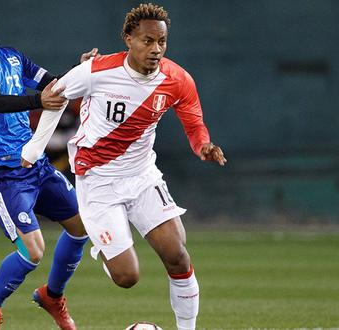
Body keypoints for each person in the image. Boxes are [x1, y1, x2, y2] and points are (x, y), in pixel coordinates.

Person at [21, 4, 227, 330]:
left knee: (177, 254)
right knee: (127, 277)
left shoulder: (177, 79)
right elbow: (53, 96)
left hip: (142, 176)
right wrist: (33, 147)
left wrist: (203, 145)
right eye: (147, 41)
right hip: (98, 182)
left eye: (162, 42)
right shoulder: (96, 72)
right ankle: (105, 248)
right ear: (128, 39)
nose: (156, 49)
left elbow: (193, 121)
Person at [0, 1, 97, 329]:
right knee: (33, 251)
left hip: (37, 167)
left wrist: (82, 73)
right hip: (2, 175)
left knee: (83, 226)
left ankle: (52, 297)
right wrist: (38, 101)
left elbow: (53, 83)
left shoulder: (13, 56)